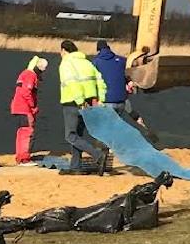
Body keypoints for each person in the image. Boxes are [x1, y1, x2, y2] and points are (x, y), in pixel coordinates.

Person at [58, 40, 108, 176]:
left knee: (70, 135)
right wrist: (101, 99)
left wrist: (79, 100)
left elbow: (71, 82)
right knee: (78, 134)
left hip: (73, 102)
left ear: (63, 50)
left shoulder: (66, 63)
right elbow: (100, 81)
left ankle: (97, 155)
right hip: (89, 102)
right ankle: (75, 167)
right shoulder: (87, 63)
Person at [9, 56, 48, 165]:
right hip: (25, 108)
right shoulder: (31, 75)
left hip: (17, 107)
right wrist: (33, 106)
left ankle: (20, 157)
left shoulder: (24, 74)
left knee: (22, 132)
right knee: (27, 132)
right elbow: (27, 92)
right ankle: (24, 159)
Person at [92, 40, 128, 114]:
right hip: (121, 101)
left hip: (106, 100)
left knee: (105, 125)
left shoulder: (96, 62)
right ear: (108, 48)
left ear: (98, 50)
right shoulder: (122, 60)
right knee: (116, 124)